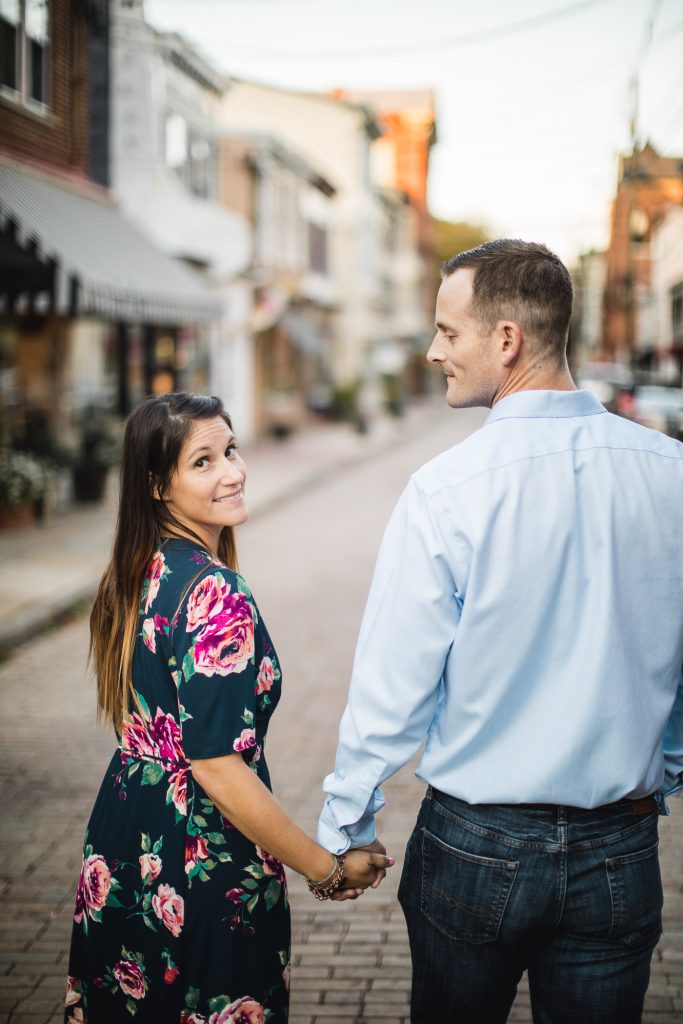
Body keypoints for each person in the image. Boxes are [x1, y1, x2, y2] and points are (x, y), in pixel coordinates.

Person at [318, 240, 683, 1023]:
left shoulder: (446, 490)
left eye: (449, 333)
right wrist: (667, 764)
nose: (432, 351)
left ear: (506, 340)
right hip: (618, 846)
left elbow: (394, 685)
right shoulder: (671, 474)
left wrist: (347, 823)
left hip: (475, 845)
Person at [64, 392, 392, 1024]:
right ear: (159, 485)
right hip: (199, 856)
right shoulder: (214, 593)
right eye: (203, 462)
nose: (233, 471)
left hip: (126, 833)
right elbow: (216, 766)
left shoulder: (133, 572)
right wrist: (324, 869)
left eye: (231, 450)